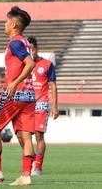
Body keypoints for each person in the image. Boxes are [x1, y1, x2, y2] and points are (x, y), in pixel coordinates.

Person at [0, 6, 36, 186]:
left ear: (12, 24)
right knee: (26, 136)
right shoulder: (25, 42)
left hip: (15, 96)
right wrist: (6, 84)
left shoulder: (15, 43)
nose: (4, 24)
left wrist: (13, 83)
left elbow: (30, 64)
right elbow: (20, 66)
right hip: (28, 95)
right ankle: (26, 175)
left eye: (6, 21)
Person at [28, 36, 59, 176]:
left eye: (32, 50)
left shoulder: (47, 64)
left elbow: (53, 86)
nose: (30, 53)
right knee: (23, 136)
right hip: (26, 104)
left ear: (37, 49)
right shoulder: (23, 64)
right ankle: (34, 160)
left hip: (41, 104)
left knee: (39, 136)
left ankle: (38, 167)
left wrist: (55, 106)